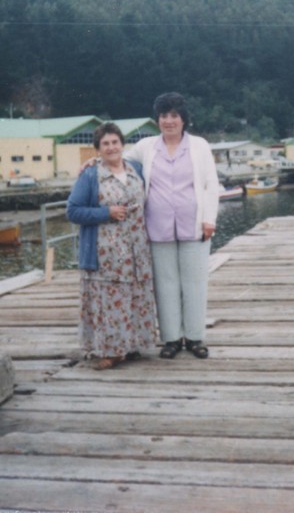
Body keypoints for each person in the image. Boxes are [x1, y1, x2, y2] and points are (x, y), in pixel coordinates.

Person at [125, 92, 219, 359]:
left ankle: (195, 337)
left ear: (183, 119)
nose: (169, 121)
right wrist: (92, 161)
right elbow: (119, 162)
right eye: (164, 115)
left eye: (174, 115)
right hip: (157, 227)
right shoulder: (146, 146)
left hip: (195, 225)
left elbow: (211, 184)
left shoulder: (200, 145)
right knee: (165, 284)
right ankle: (171, 339)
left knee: (195, 282)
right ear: (157, 120)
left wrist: (209, 218)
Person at [67, 122, 157, 370]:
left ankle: (131, 347)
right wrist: (106, 212)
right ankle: (111, 351)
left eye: (115, 142)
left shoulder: (136, 169)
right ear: (97, 149)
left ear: (122, 144)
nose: (111, 147)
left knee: (135, 298)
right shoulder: (90, 175)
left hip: (137, 252)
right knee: (109, 303)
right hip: (105, 255)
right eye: (105, 144)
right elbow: (72, 211)